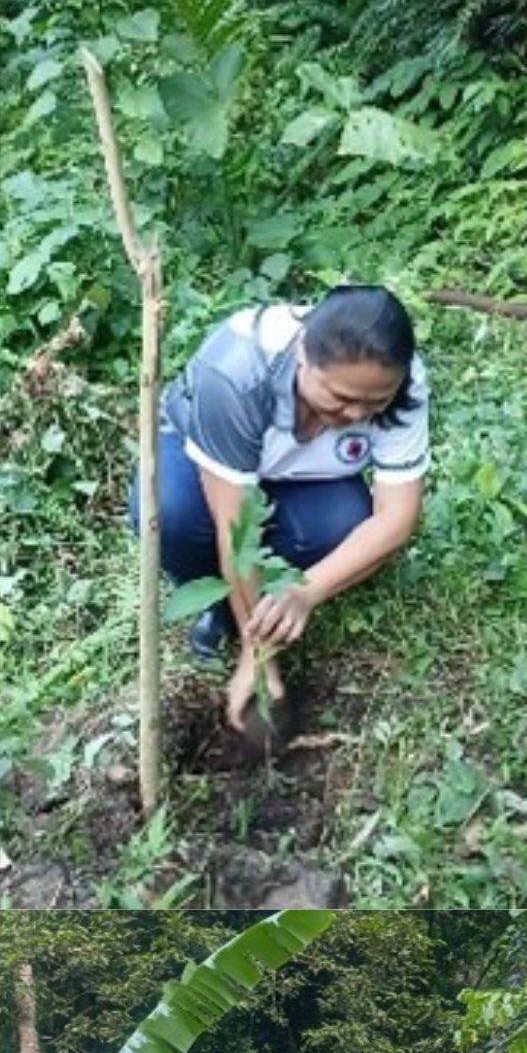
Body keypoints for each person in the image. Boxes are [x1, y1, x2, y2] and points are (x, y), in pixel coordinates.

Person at [143, 283, 430, 734]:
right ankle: (225, 612)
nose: (356, 413)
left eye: (373, 403)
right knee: (168, 513)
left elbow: (398, 517)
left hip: (303, 479)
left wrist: (307, 590)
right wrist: (258, 658)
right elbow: (234, 526)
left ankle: (275, 598)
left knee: (342, 523)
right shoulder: (235, 372)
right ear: (302, 352)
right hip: (203, 460)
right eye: (339, 397)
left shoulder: (401, 379)